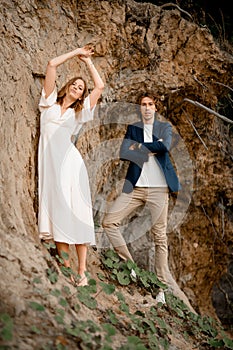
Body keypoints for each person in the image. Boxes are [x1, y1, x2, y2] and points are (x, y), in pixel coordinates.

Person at [102, 93, 196, 313]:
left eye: (150, 104)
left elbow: (166, 147)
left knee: (159, 237)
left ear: (156, 107)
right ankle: (129, 266)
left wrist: (140, 149)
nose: (146, 108)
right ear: (139, 108)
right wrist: (149, 148)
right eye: (143, 104)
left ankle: (161, 289)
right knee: (109, 222)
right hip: (134, 187)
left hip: (158, 189)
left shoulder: (165, 128)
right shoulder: (133, 128)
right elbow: (124, 152)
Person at [38, 45, 104, 286]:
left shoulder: (79, 114)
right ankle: (66, 266)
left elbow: (99, 87)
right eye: (75, 85)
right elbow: (52, 64)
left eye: (81, 89)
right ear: (67, 87)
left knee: (75, 212)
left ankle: (82, 271)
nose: (78, 89)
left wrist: (88, 62)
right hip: (50, 166)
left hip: (70, 165)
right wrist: (76, 51)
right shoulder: (48, 103)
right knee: (59, 213)